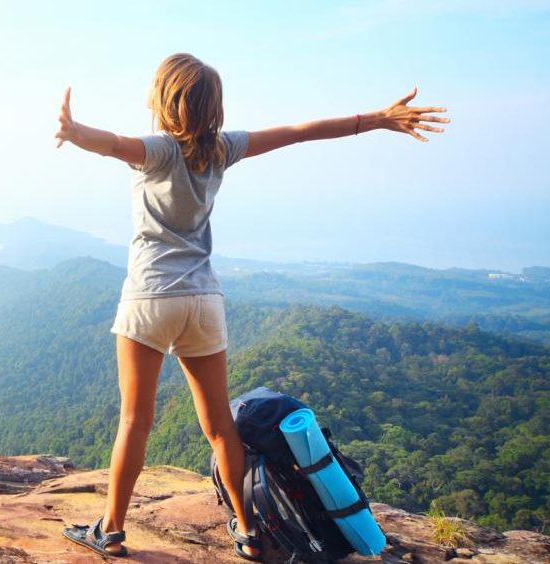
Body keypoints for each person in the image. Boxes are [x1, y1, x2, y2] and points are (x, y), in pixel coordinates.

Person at [56, 52, 448, 560]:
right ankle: (247, 530)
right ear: (211, 107)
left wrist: (74, 129)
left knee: (135, 421)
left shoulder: (157, 150)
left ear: (165, 101)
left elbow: (110, 144)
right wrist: (375, 119)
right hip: (203, 300)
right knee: (220, 425)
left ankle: (109, 530)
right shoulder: (222, 149)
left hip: (151, 296)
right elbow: (298, 131)